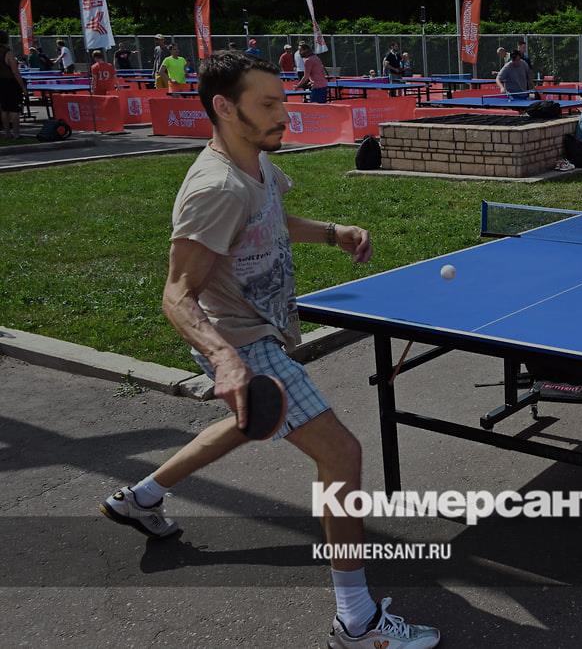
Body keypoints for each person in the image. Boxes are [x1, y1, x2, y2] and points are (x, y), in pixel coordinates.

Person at [98, 50, 441, 649]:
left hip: (260, 333)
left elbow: (272, 220)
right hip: (241, 340)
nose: (285, 113)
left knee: (250, 422)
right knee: (341, 454)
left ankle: (141, 497)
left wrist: (333, 233)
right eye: (269, 103)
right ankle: (356, 622)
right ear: (225, 108)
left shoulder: (258, 165)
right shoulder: (216, 189)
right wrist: (225, 359)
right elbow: (176, 295)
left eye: (283, 100)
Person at [0, 31, 26, 139]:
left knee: (4, 109)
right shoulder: (8, 52)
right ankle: (16, 133)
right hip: (10, 83)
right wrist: (23, 87)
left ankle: (7, 133)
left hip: (0, 83)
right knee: (14, 110)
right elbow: (15, 72)